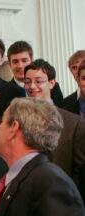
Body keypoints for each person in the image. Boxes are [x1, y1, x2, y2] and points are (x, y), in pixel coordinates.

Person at [24, 59, 85, 194]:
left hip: (62, 198)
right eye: (27, 82)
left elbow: (80, 174)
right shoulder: (17, 121)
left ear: (52, 83)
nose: (32, 86)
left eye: (38, 81)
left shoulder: (74, 123)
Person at [7, 40, 63, 107]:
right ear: (9, 64)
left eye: (24, 60)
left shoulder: (53, 87)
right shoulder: (6, 91)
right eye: (15, 62)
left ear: (32, 61)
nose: (20, 66)